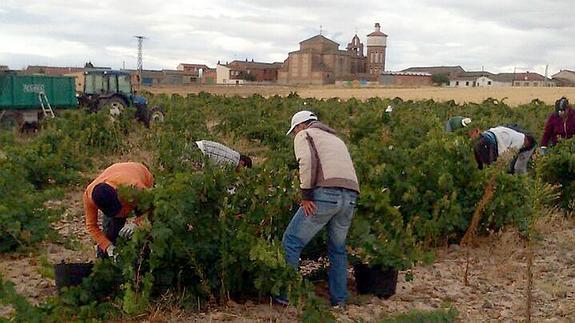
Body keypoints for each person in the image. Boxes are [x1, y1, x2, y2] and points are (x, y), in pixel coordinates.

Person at [278, 110, 360, 307]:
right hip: (350, 196)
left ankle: (284, 296)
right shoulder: (336, 138)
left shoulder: (304, 135)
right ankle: (339, 301)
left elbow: (306, 162)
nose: (295, 134)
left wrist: (306, 196)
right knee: (338, 249)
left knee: (291, 242)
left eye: (294, 130)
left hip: (326, 195)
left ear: (300, 126)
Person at [84, 162, 154, 259]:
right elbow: (91, 226)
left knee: (145, 232)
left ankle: (144, 260)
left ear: (118, 194)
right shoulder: (89, 196)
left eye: (117, 208)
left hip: (138, 174)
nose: (119, 213)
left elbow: (154, 209)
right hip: (116, 172)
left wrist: (137, 224)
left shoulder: (134, 187)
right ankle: (105, 262)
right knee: (110, 233)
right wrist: (108, 246)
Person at [470, 125, 536, 174]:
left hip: (486, 135)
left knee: (479, 162)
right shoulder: (520, 140)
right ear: (527, 142)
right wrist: (500, 166)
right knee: (490, 167)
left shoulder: (514, 133)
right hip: (492, 142)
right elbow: (508, 155)